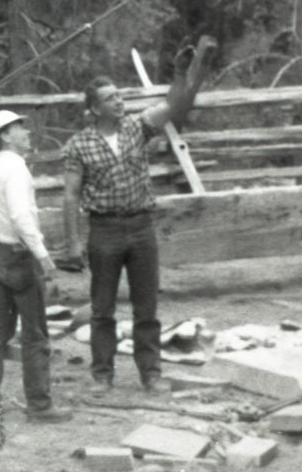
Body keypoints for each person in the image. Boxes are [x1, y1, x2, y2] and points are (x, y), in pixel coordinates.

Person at [59, 38, 216, 394]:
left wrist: (179, 72)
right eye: (111, 98)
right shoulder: (78, 145)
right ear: (96, 109)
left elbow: (176, 105)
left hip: (141, 226)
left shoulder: (137, 127)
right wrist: (71, 242)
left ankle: (151, 374)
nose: (120, 101)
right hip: (104, 231)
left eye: (119, 95)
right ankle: (102, 375)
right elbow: (69, 195)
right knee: (102, 310)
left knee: (147, 308)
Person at [0, 108, 70, 426]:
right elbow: (20, 216)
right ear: (5, 135)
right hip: (19, 256)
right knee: (35, 335)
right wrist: (42, 254)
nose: (27, 133)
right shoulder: (15, 169)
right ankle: (40, 406)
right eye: (20, 128)